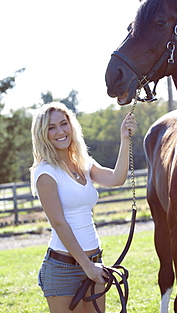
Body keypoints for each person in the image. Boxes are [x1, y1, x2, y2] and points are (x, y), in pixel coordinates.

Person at [30, 102, 137, 313]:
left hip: (95, 260)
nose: (60, 131)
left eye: (63, 124)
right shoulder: (45, 172)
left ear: (72, 126)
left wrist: (124, 138)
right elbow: (59, 224)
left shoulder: (83, 162)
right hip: (64, 268)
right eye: (51, 127)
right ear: (42, 134)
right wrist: (87, 266)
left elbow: (117, 178)